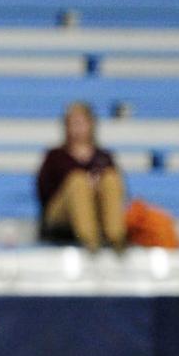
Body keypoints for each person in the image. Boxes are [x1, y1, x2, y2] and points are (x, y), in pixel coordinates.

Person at [37, 103, 127, 253]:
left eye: (81, 123)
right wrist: (82, 186)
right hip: (62, 214)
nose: (77, 128)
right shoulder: (55, 156)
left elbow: (119, 192)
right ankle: (90, 240)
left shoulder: (104, 157)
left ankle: (116, 238)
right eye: (73, 123)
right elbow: (44, 194)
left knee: (110, 178)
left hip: (98, 210)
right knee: (78, 181)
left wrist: (97, 188)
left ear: (91, 124)